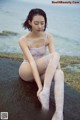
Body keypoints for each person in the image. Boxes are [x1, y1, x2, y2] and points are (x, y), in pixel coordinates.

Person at [18, 8, 64, 120]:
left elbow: (55, 59)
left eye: (42, 23)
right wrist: (40, 87)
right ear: (30, 22)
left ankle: (59, 114)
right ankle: (45, 93)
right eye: (36, 23)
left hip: (41, 71)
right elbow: (33, 62)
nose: (40, 26)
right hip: (27, 70)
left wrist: (59, 71)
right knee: (55, 55)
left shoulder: (48, 37)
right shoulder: (23, 39)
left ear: (45, 23)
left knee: (59, 73)